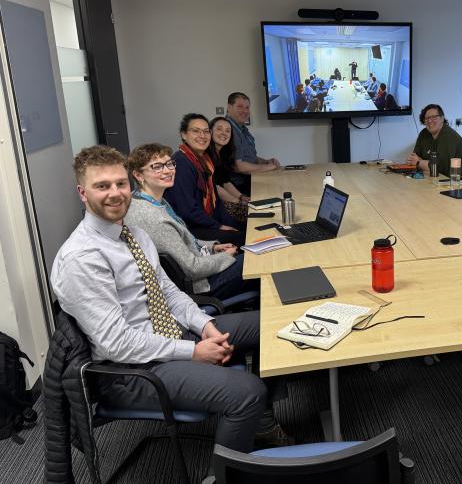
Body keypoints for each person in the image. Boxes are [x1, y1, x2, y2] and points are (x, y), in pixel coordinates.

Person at [50, 145, 287, 456]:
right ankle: (228, 471)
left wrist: (204, 326)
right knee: (248, 392)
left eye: (120, 184)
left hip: (167, 335)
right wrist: (193, 351)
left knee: (272, 325)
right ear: (83, 192)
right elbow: (115, 344)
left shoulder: (133, 234)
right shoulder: (81, 258)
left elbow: (170, 293)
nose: (115, 193)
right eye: (102, 186)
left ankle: (259, 425)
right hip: (130, 371)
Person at [126, 142, 257, 302]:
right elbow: (192, 269)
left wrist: (212, 247)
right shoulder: (153, 218)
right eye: (157, 167)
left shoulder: (148, 198)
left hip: (202, 267)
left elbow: (185, 241)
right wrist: (226, 257)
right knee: (260, 258)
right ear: (139, 175)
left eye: (169, 164)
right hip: (202, 286)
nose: (167, 170)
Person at [163, 113, 245, 246]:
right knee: (245, 237)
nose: (202, 136)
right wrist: (218, 226)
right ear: (184, 134)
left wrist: (229, 223)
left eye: (206, 131)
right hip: (191, 229)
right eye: (195, 131)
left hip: (206, 221)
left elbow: (216, 202)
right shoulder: (181, 163)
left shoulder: (205, 160)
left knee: (248, 226)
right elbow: (187, 210)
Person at [406, 103, 462, 186]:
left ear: (442, 118)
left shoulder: (449, 136)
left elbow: (440, 168)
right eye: (426, 118)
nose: (430, 121)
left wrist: (419, 162)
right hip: (438, 178)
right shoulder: (424, 134)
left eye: (434, 117)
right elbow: (413, 158)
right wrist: (424, 163)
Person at [225, 92, 281, 194]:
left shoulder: (243, 130)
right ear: (229, 107)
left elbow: (249, 158)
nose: (245, 111)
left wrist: (266, 161)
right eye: (240, 107)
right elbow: (239, 166)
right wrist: (269, 167)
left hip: (251, 180)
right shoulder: (228, 129)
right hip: (239, 187)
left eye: (247, 107)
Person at [209, 116, 252, 223]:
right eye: (219, 129)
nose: (224, 133)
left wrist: (242, 197)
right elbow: (215, 187)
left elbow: (225, 182)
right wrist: (236, 201)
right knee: (252, 217)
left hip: (224, 198)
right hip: (215, 205)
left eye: (228, 131)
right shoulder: (207, 155)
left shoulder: (223, 153)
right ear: (210, 132)